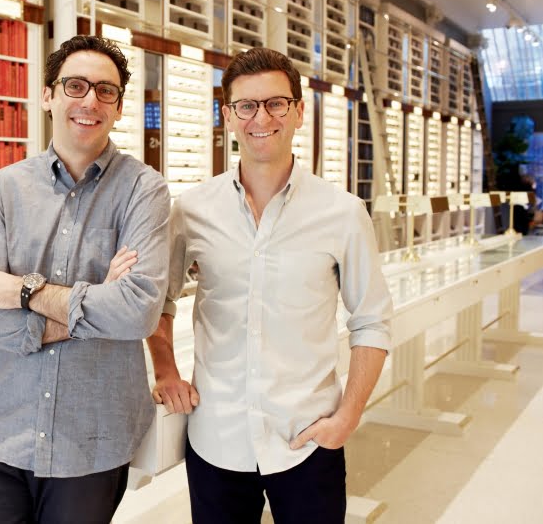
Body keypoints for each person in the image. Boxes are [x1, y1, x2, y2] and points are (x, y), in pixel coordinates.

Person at [148, 47, 393, 523]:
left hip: (307, 439)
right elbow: (160, 298)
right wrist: (164, 369)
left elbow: (372, 322)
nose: (261, 117)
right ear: (228, 116)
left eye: (276, 103)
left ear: (299, 111)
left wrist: (348, 416)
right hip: (217, 440)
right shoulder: (192, 210)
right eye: (247, 105)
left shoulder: (342, 213)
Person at [0, 35, 170, 524]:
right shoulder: (6, 188)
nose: (90, 100)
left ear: (118, 108)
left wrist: (21, 292)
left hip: (91, 441)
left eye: (106, 90)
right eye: (75, 85)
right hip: (3, 430)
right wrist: (95, 304)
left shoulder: (144, 191)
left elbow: (137, 311)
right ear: (49, 95)